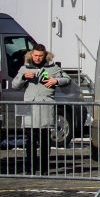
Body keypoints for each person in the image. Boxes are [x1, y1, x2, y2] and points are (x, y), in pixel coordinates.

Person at [12, 43, 69, 175]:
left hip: (45, 108)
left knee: (44, 141)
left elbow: (67, 80)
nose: (37, 58)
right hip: (29, 108)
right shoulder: (24, 68)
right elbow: (15, 85)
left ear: (45, 56)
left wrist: (56, 81)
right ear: (32, 54)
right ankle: (30, 169)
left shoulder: (53, 68)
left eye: (40, 56)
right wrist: (23, 77)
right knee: (30, 141)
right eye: (36, 55)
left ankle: (44, 170)